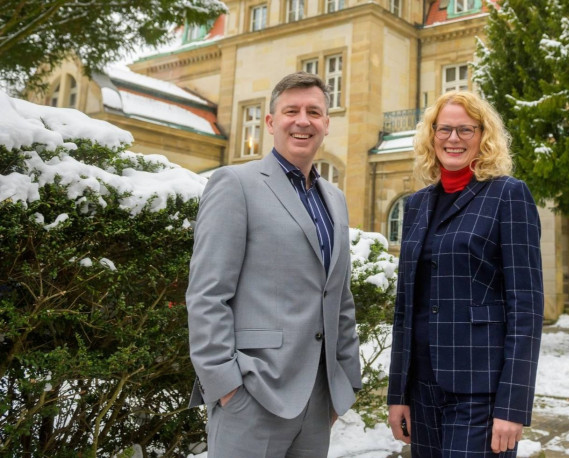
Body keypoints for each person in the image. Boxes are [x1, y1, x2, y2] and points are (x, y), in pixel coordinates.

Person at [186, 72, 362, 457]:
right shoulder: (235, 184)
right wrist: (226, 386)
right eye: (291, 111)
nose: (303, 120)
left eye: (314, 112)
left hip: (318, 401)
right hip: (253, 395)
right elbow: (207, 293)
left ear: (327, 124)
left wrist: (345, 382)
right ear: (270, 122)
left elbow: (339, 296)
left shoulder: (334, 198)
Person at [387, 91, 544, 457]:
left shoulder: (508, 195)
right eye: (444, 129)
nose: (453, 139)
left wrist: (512, 406)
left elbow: (526, 307)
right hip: (422, 390)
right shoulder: (416, 204)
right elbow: (404, 308)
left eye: (465, 130)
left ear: (483, 135)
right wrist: (398, 394)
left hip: (481, 393)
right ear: (431, 136)